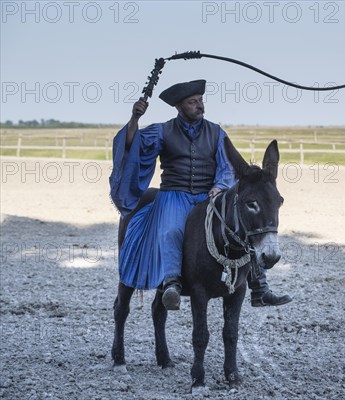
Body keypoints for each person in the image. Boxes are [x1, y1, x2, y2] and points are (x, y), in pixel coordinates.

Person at [109, 79, 291, 310]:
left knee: (242, 227)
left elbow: (227, 165)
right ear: (179, 107)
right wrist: (135, 119)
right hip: (174, 196)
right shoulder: (162, 131)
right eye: (193, 102)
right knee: (172, 230)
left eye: (200, 101)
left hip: (208, 195)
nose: (199, 106)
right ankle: (172, 283)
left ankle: (259, 287)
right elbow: (132, 144)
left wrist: (220, 186)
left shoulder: (217, 132)